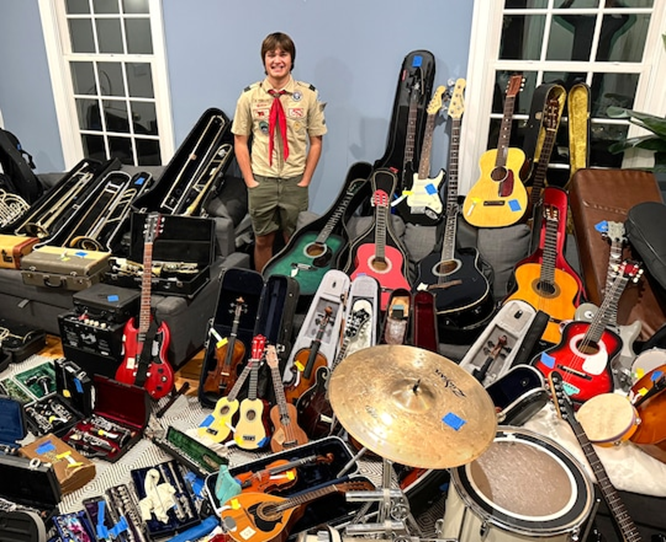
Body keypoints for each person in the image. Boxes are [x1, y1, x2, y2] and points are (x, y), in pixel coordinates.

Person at [232, 32, 327, 272]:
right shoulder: (249, 97)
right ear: (264, 60)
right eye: (271, 55)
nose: (277, 60)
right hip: (262, 180)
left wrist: (305, 180)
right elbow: (240, 141)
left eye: (283, 54)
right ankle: (264, 285)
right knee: (263, 239)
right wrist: (250, 181)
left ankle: (290, 287)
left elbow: (316, 141)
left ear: (291, 59)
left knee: (294, 241)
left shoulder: (308, 95)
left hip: (294, 181)